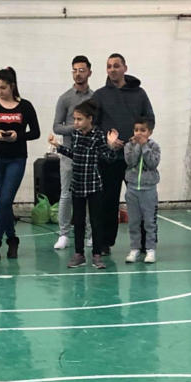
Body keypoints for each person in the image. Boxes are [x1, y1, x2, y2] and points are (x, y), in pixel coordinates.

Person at [47, 100, 120, 269]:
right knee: (78, 221)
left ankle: (96, 255)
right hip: (78, 184)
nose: (76, 123)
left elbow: (109, 158)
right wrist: (57, 146)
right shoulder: (76, 134)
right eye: (74, 119)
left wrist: (111, 145)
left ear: (90, 119)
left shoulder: (98, 135)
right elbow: (74, 154)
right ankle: (79, 254)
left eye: (79, 119)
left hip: (94, 185)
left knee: (96, 221)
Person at [93, 53, 155, 251]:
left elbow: (150, 119)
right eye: (109, 66)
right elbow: (93, 125)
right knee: (107, 201)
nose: (112, 69)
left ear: (125, 68)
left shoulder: (139, 94)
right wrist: (107, 140)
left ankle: (145, 243)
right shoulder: (99, 95)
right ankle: (104, 243)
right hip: (109, 158)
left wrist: (139, 138)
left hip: (135, 158)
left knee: (140, 201)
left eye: (116, 65)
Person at [0, 67, 40, 261]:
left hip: (17, 158)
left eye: (3, 88)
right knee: (3, 200)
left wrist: (18, 135)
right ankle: (12, 238)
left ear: (12, 86)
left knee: (5, 200)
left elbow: (36, 132)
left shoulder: (25, 106)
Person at [52, 56, 93, 250]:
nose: (78, 74)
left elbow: (99, 123)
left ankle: (91, 235)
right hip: (69, 154)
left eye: (82, 70)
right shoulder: (65, 98)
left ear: (89, 72)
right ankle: (63, 234)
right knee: (66, 195)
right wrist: (75, 128)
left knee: (90, 196)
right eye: (75, 70)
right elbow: (56, 127)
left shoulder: (95, 98)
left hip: (90, 156)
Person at [123, 118, 160, 264]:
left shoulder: (154, 146)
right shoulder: (129, 145)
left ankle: (150, 250)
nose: (139, 133)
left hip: (149, 189)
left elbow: (152, 163)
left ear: (149, 132)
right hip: (132, 189)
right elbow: (130, 161)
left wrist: (144, 145)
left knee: (150, 222)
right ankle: (134, 249)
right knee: (133, 221)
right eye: (136, 130)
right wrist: (137, 146)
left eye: (143, 130)